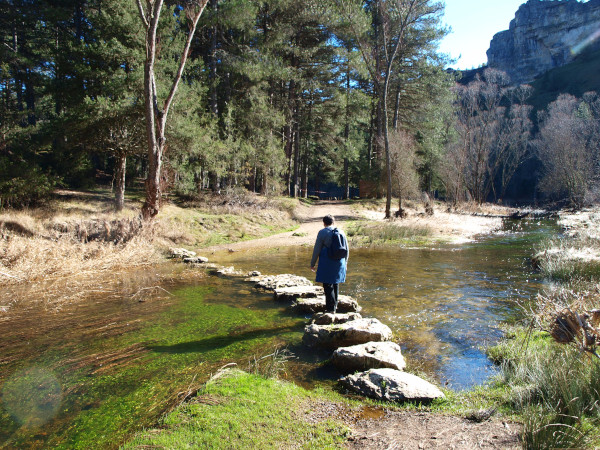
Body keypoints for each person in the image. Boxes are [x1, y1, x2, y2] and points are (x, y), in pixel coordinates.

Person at [310, 214, 348, 313]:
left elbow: (317, 249)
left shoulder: (322, 232)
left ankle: (330, 310)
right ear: (333, 222)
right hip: (340, 261)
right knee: (335, 283)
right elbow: (347, 249)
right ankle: (334, 307)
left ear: (324, 223)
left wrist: (312, 263)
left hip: (327, 261)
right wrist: (345, 263)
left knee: (327, 284)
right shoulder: (341, 231)